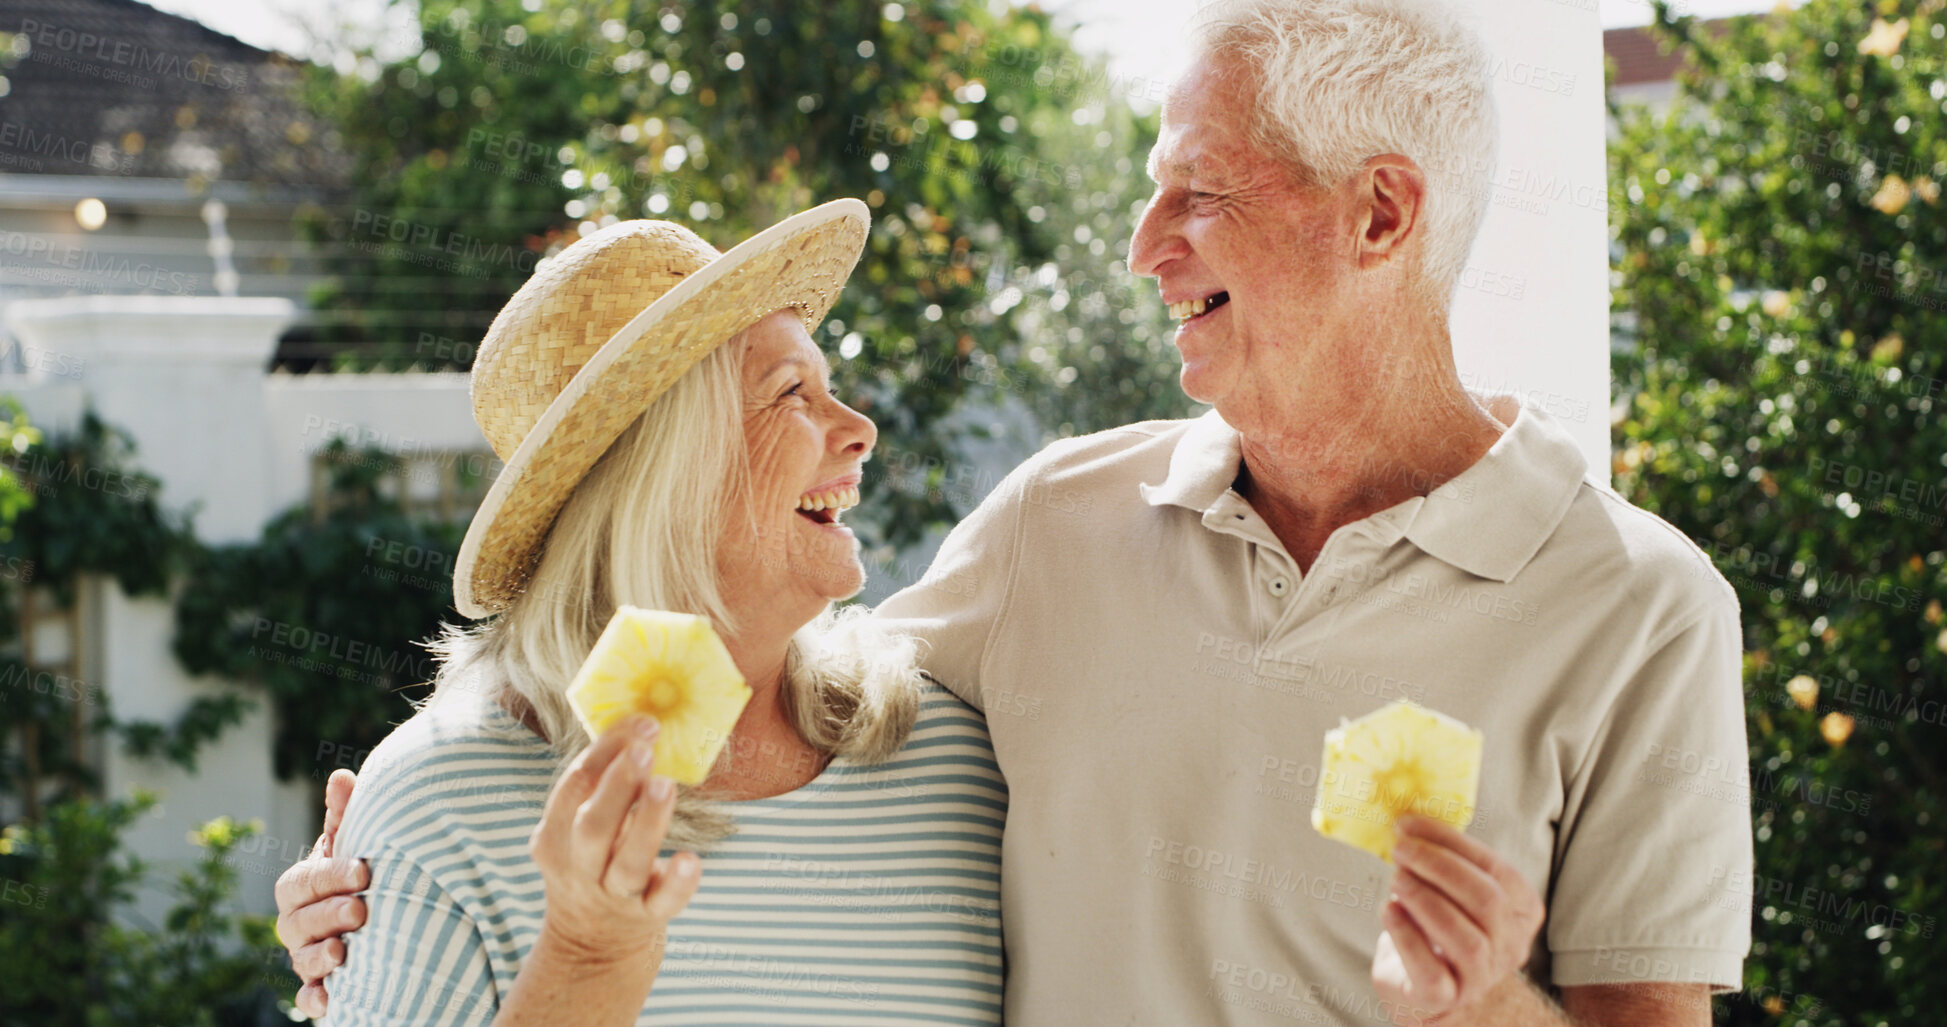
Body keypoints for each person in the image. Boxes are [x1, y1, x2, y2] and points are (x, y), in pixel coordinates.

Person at [280, 2, 1753, 1024]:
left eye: (1192, 193)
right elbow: (755, 678)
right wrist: (377, 891)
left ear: (1376, 214)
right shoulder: (1057, 521)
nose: (1138, 245)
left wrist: (1483, 1000)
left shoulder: (1638, 606)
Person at [290, 199, 1007, 1026]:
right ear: (664, 475)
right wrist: (586, 957)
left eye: (830, 387)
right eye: (791, 393)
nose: (860, 430)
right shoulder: (439, 800)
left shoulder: (952, 752)